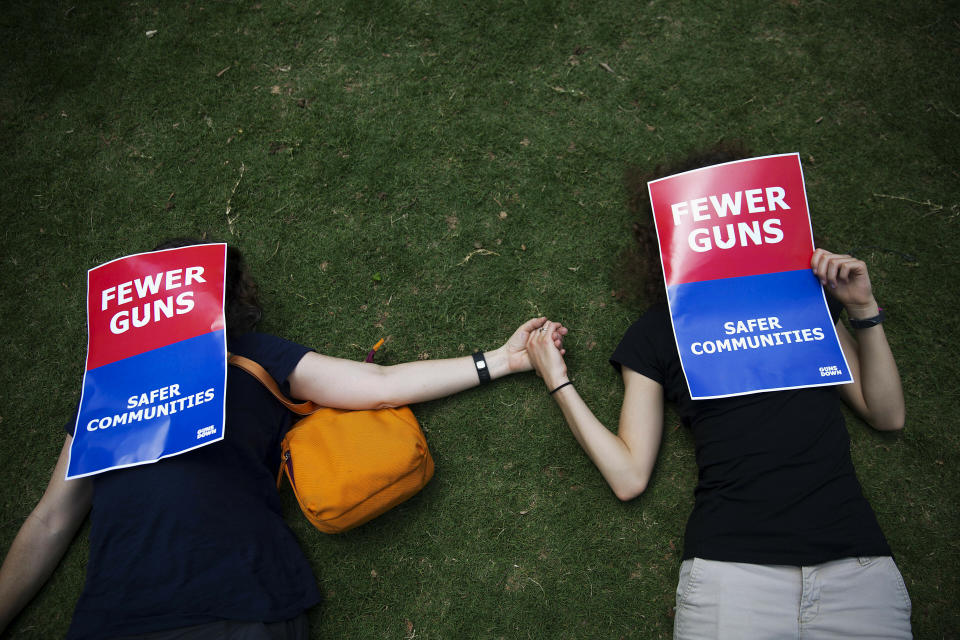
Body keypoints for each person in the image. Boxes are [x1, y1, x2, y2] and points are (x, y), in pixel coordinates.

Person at [0, 240, 567, 640]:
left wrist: (501, 359)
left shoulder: (251, 357)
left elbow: (379, 384)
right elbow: (52, 518)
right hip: (113, 619)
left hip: (238, 604)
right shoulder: (107, 390)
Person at [524, 155, 912, 639]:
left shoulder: (803, 303)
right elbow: (627, 477)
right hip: (733, 581)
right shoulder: (659, 332)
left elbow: (887, 414)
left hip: (858, 575)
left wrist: (863, 309)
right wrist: (558, 380)